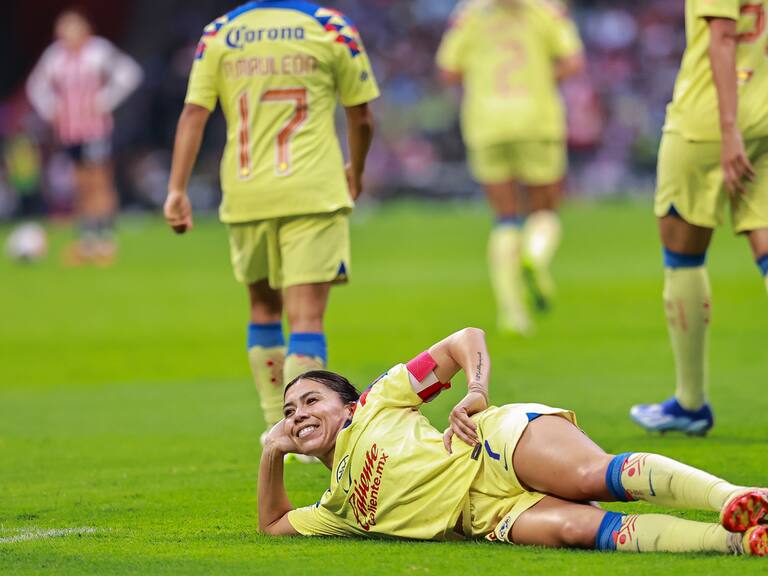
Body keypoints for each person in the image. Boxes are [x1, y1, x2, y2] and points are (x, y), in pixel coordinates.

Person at [259, 327, 768, 555]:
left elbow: (465, 340)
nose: (298, 414)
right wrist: (270, 452)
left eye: (310, 401)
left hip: (489, 447)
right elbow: (273, 524)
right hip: (486, 517)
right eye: (289, 412)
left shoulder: (376, 401)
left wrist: (476, 391)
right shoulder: (335, 509)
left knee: (590, 476)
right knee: (579, 530)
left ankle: (735, 497)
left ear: (346, 406)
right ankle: (738, 541)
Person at [164, 1, 378, 448]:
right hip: (312, 191)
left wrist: (177, 188)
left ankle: (275, 427)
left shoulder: (220, 33)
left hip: (246, 194)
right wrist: (355, 169)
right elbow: (361, 115)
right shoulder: (330, 28)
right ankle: (306, 435)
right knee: (306, 318)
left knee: (263, 310)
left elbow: (193, 115)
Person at [630, 0, 768, 435]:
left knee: (681, 252)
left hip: (710, 120)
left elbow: (722, 36)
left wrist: (729, 132)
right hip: (765, 114)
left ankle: (689, 402)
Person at [436, 0, 585, 335]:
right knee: (545, 208)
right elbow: (573, 61)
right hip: (537, 118)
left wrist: (482, 78)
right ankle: (535, 255)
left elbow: (448, 70)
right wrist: (540, 78)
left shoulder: (468, 13)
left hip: (486, 121)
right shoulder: (547, 10)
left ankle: (512, 312)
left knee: (505, 218)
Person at [26, 8, 143, 265]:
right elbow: (36, 85)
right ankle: (88, 240)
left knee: (99, 180)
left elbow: (129, 73)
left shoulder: (98, 51)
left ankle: (106, 239)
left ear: (85, 29)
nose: (68, 33)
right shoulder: (55, 56)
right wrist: (51, 109)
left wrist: (104, 101)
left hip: (95, 128)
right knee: (80, 183)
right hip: (69, 131)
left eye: (73, 27)